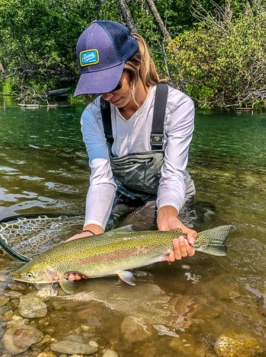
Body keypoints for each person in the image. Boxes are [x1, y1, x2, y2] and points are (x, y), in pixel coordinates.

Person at [68, 20, 196, 280]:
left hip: (167, 195)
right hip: (125, 193)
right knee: (89, 245)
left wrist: (168, 216)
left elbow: (173, 175)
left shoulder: (177, 106)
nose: (106, 96)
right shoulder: (92, 116)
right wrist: (91, 231)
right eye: (97, 88)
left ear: (134, 67)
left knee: (135, 230)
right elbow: (102, 179)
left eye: (112, 84)